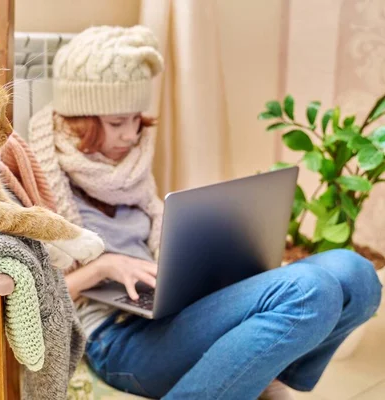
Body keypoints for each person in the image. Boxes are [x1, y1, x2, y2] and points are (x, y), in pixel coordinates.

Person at [28, 25, 383, 400]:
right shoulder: (36, 178)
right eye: (117, 123)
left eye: (136, 119)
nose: (131, 136)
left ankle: (256, 369)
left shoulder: (128, 173)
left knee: (356, 273)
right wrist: (102, 268)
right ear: (78, 118)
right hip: (113, 337)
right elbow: (19, 299)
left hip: (169, 314)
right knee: (311, 291)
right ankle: (251, 376)